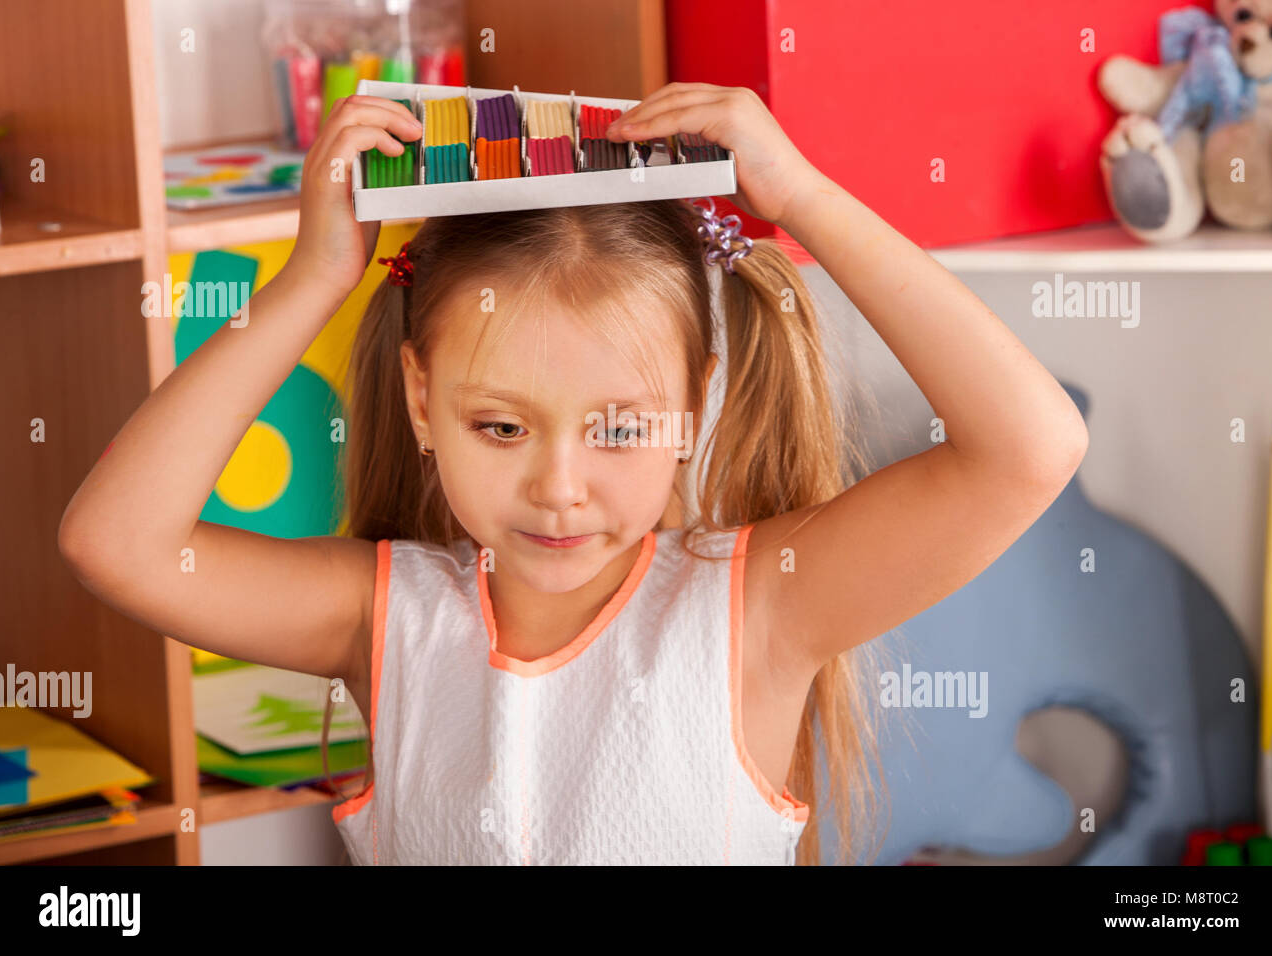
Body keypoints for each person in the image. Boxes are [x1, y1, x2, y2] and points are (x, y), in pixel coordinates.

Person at [58, 83, 1088, 865]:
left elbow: (1029, 447)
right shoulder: (383, 616)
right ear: (424, 402)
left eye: (618, 428)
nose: (560, 485)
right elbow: (116, 542)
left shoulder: (758, 606)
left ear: (694, 406)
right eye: (501, 426)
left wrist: (804, 198)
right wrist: (312, 279)